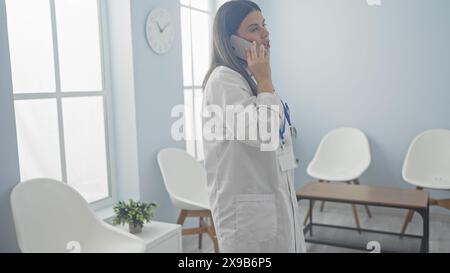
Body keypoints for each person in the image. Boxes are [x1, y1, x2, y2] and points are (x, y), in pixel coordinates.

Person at [202, 0, 306, 253]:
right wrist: (266, 79)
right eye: (254, 28)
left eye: (264, 25)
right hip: (250, 216)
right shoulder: (223, 81)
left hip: (276, 199)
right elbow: (264, 133)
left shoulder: (250, 78)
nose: (265, 33)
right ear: (231, 41)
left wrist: (263, 81)